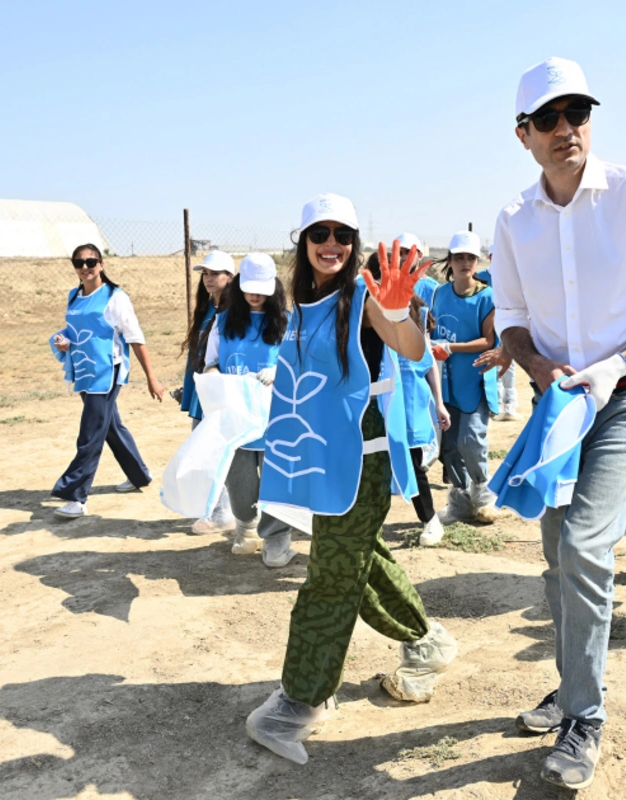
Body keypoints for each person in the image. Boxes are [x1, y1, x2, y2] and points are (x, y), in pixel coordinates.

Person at [493, 57, 626, 790]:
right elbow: (510, 318)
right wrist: (534, 366)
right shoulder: (513, 218)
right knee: (556, 553)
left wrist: (613, 367)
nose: (565, 129)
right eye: (547, 118)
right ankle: (571, 682)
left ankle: (584, 715)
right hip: (558, 406)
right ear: (522, 134)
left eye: (576, 112)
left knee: (584, 541)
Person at [246, 194, 457, 765]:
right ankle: (425, 639)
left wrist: (395, 313)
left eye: (342, 234)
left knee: (331, 578)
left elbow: (410, 348)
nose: (331, 243)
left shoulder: (365, 294)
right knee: (355, 560)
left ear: (354, 242)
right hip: (319, 457)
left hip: (359, 459)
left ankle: (301, 701)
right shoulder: (305, 301)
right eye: (320, 233)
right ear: (304, 242)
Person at [49, 244, 164, 519]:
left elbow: (135, 337)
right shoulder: (74, 296)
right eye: (79, 263)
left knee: (91, 432)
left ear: (101, 264)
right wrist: (64, 340)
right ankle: (139, 475)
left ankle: (76, 496)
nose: (85, 267)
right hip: (84, 371)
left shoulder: (115, 297)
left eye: (91, 261)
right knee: (110, 426)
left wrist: (151, 377)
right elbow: (77, 330)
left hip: (106, 373)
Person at [201, 253, 288, 556]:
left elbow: (298, 364)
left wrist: (279, 372)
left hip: (275, 418)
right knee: (240, 481)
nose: (254, 295)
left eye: (261, 289)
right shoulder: (222, 322)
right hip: (236, 418)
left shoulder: (286, 323)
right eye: (249, 287)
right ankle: (247, 529)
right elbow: (210, 362)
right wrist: (216, 377)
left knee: (277, 479)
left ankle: (277, 537)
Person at [364, 251, 452, 546]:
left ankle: (429, 520)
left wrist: (438, 403)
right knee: (374, 466)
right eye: (379, 277)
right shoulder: (363, 315)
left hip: (411, 401)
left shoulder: (417, 313)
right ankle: (368, 527)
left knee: (414, 464)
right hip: (378, 403)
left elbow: (428, 363)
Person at [431, 230, 501, 524]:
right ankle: (460, 501)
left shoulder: (487, 297)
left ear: (478, 261)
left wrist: (450, 347)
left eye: (469, 258)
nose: (464, 263)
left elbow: (489, 341)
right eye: (458, 257)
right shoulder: (440, 293)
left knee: (471, 438)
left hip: (473, 381)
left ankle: (482, 490)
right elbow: (430, 332)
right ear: (450, 260)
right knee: (449, 445)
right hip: (445, 383)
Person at [179, 250, 237, 534]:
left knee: (214, 452)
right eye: (206, 273)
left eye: (216, 273)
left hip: (220, 391)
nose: (209, 279)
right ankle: (218, 509)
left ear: (231, 277)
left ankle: (223, 512)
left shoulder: (233, 312)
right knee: (207, 450)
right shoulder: (209, 309)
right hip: (204, 390)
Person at [474, 242, 522, 422]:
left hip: (506, 326)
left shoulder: (513, 277)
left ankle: (509, 405)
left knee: (508, 365)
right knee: (490, 362)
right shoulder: (480, 276)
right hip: (487, 327)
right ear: (490, 257)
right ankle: (496, 404)